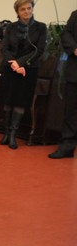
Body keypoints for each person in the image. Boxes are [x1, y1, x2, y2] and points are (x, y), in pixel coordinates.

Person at [0, 0, 47, 149]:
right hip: (10, 68)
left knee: (20, 102)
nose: (26, 11)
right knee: (8, 101)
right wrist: (14, 63)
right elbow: (4, 48)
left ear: (32, 9)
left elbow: (39, 50)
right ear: (17, 12)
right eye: (23, 9)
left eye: (29, 8)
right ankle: (6, 133)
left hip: (28, 70)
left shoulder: (41, 27)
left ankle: (13, 135)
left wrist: (21, 63)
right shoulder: (11, 27)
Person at [49, 9, 77, 159]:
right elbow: (66, 33)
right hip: (75, 71)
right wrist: (74, 49)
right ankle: (67, 146)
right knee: (71, 111)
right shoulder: (76, 14)